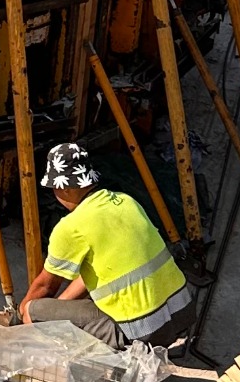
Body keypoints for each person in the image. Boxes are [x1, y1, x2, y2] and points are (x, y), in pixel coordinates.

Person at [10, 142, 195, 349]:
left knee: (35, 310)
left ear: (64, 187)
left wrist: (20, 315)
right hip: (181, 314)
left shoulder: (72, 227)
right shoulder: (127, 202)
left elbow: (45, 286)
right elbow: (92, 276)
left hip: (143, 332)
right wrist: (60, 310)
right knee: (59, 308)